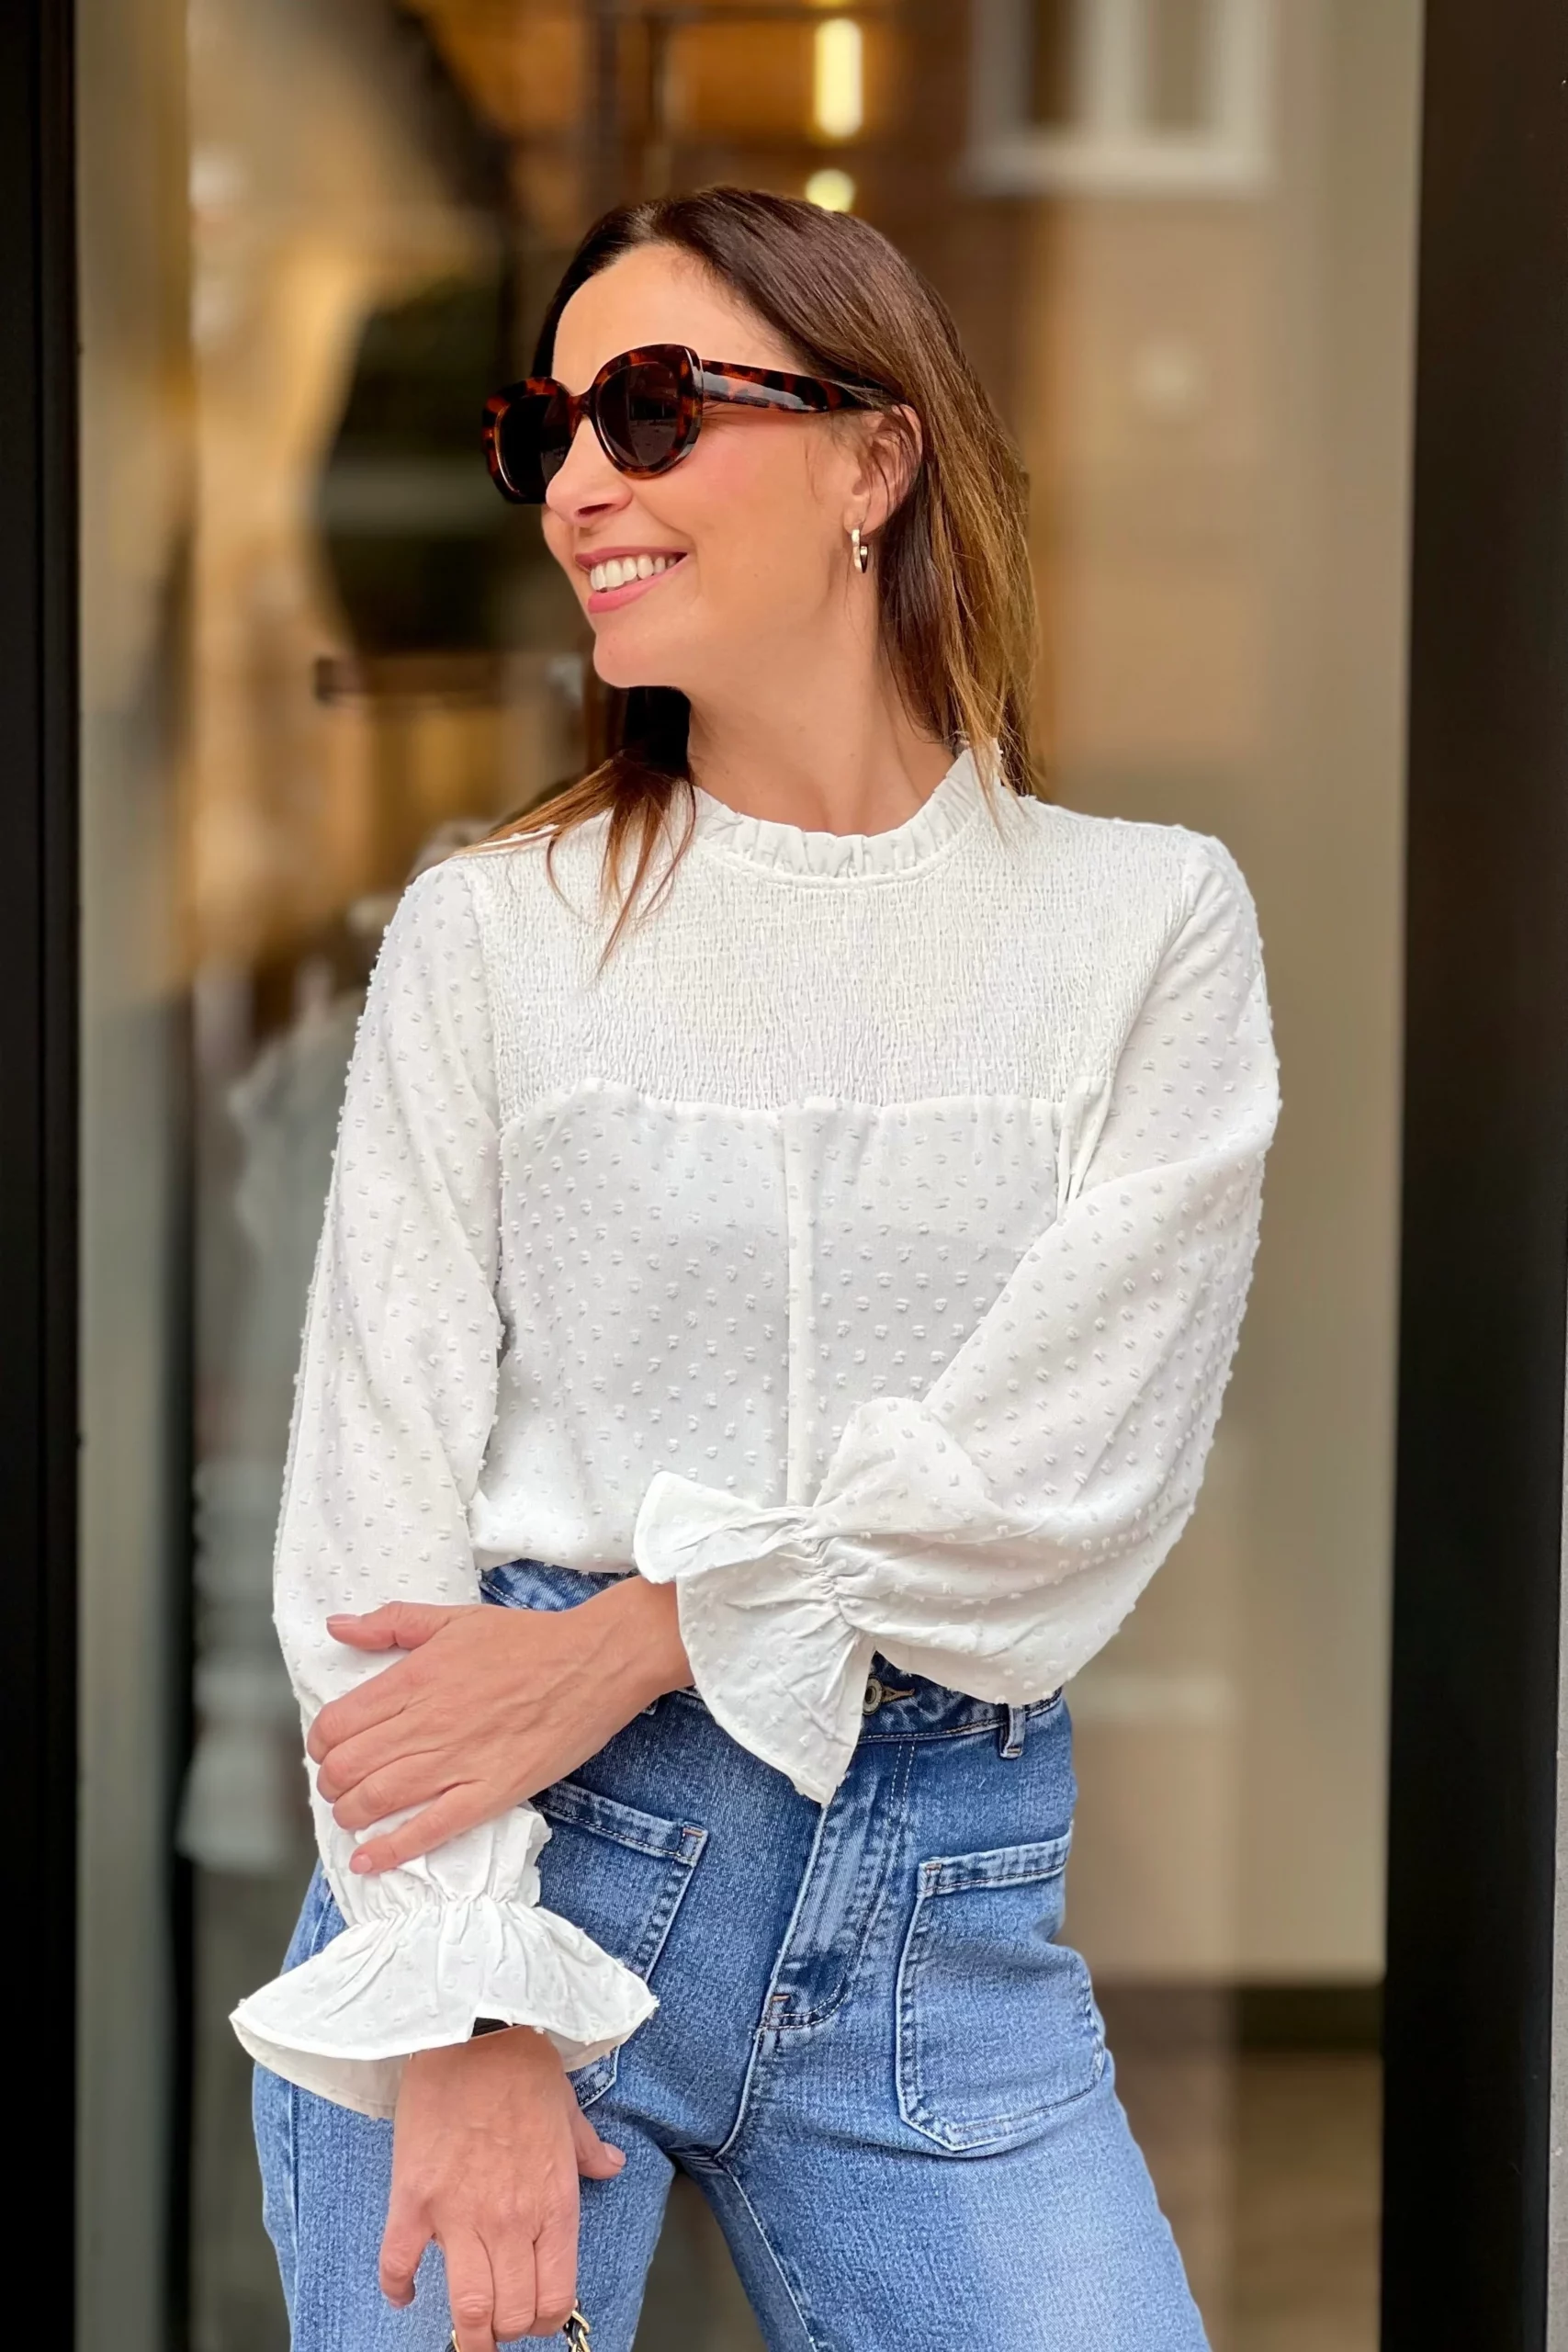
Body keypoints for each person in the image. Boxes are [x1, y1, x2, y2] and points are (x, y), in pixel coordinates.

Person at [236, 186, 1279, 2352]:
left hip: (939, 1912)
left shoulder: (1144, 927)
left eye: (648, 409)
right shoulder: (493, 933)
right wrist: (462, 2004)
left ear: (875, 456)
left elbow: (1067, 1479)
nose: (580, 483)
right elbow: (371, 1518)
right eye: (546, 432)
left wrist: (649, 1629)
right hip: (523, 1870)